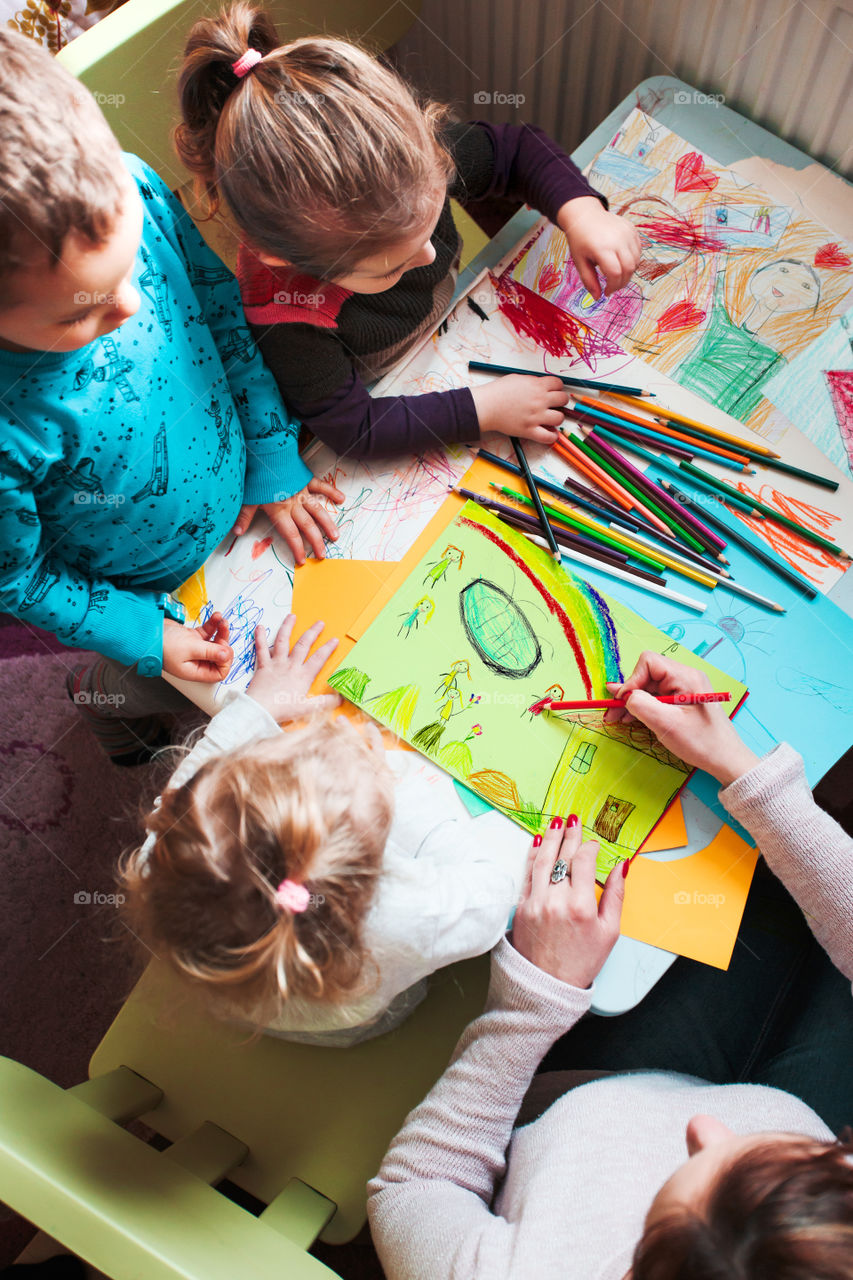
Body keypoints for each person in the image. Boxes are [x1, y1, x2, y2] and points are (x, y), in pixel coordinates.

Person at [367, 652, 853, 1279]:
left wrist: (534, 996)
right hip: (740, 1090)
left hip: (590, 1090)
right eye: (825, 1159)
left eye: (664, 1201)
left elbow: (412, 1192)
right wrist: (738, 765)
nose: (706, 1126)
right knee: (776, 893)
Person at [0, 28, 342, 764]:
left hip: (250, 495)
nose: (127, 306)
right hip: (146, 593)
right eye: (78, 313)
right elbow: (18, 578)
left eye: (130, 266)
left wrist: (273, 454)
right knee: (119, 690)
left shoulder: (130, 184)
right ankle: (109, 723)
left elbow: (219, 312)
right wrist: (147, 637)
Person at [173, 3, 641, 488]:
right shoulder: (287, 312)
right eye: (390, 266)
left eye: (431, 217)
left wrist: (583, 211)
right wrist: (484, 409)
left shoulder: (413, 160)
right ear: (291, 264)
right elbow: (355, 429)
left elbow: (518, 151)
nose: (431, 257)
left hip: (457, 322)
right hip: (391, 386)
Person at [119, 614, 530, 1046]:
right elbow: (492, 894)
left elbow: (186, 795)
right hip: (354, 1016)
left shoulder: (173, 858)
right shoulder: (407, 916)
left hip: (248, 997)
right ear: (370, 861)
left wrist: (257, 710)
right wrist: (402, 787)